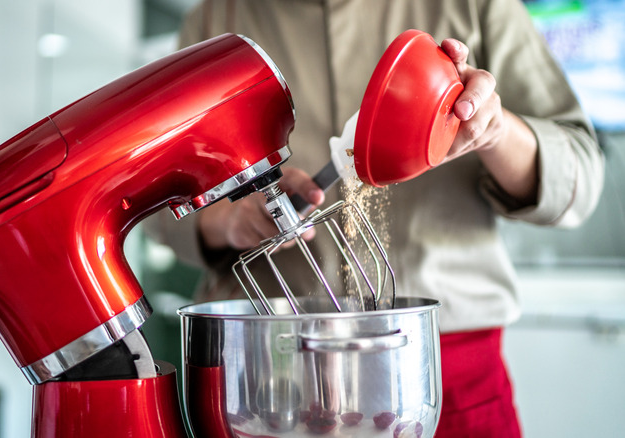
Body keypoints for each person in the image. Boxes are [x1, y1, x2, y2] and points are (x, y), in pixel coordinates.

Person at [144, 0, 605, 436]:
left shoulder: (475, 6)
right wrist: (227, 221)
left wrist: (496, 131)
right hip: (273, 381)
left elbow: (580, 174)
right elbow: (157, 209)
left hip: (445, 373)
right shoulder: (217, 21)